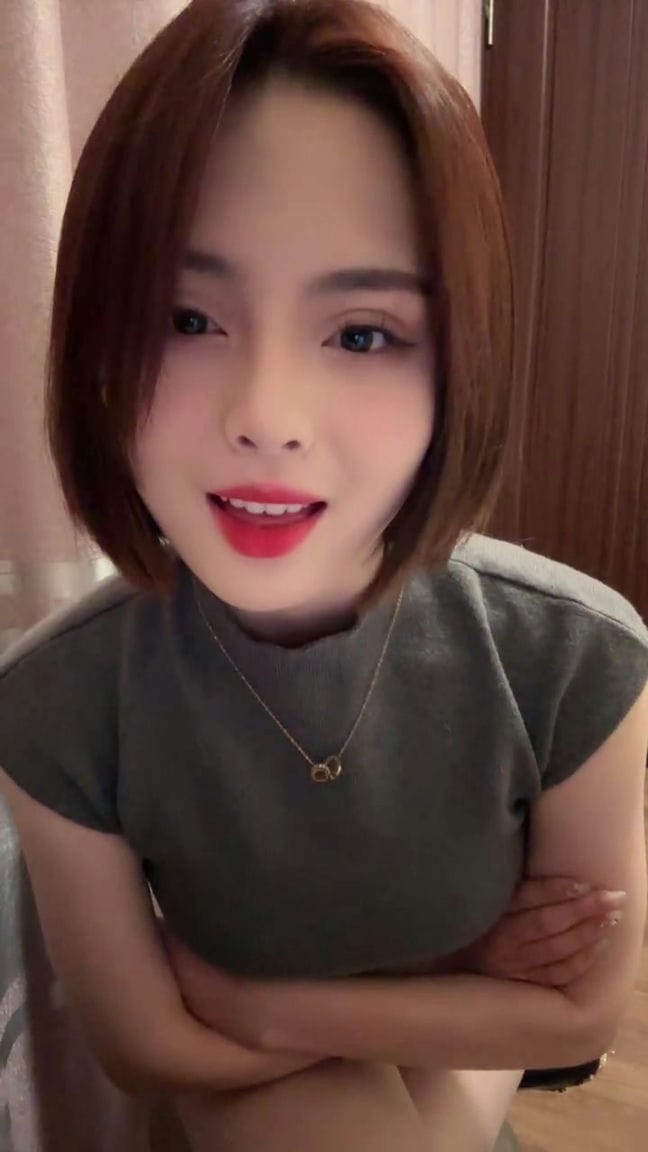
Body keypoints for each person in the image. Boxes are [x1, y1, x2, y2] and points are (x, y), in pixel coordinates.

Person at [1, 0, 647, 1149]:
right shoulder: (59, 701)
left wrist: (260, 1004)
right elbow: (141, 1046)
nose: (266, 417)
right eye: (186, 318)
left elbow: (578, 1016)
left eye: (361, 333)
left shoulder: (572, 658)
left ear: (461, 365)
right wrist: (456, 990)